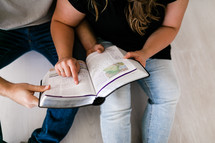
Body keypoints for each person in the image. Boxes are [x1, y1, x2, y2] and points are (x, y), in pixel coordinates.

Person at [51, 0, 189, 143]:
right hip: (106, 43)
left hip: (151, 41)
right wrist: (65, 56)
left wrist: (145, 52)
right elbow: (62, 21)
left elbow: (170, 26)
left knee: (169, 92)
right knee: (116, 105)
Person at [0, 0, 103, 142]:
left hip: (53, 22)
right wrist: (9, 89)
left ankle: (44, 140)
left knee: (74, 77)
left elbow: (76, 7)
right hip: (4, 30)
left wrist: (86, 46)